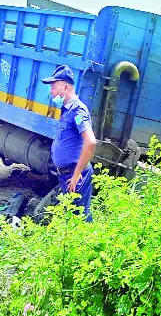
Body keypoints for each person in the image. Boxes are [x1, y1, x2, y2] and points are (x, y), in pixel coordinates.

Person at [41, 65, 97, 221]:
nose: (51, 90)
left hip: (75, 175)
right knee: (73, 216)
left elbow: (90, 142)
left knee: (78, 218)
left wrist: (77, 174)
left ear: (65, 87)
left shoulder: (78, 111)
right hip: (67, 174)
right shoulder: (67, 110)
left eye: (53, 86)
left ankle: (90, 244)